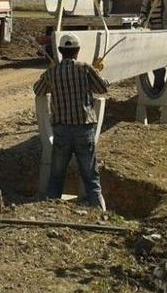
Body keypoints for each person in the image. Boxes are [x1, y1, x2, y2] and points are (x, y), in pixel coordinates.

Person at [33, 33, 109, 210]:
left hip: (61, 132)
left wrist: (50, 73)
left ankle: (51, 209)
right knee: (91, 175)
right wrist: (97, 71)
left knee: (57, 175)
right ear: (77, 51)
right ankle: (99, 211)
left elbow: (38, 90)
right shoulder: (86, 69)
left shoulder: (52, 72)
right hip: (84, 129)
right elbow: (103, 88)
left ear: (60, 51)